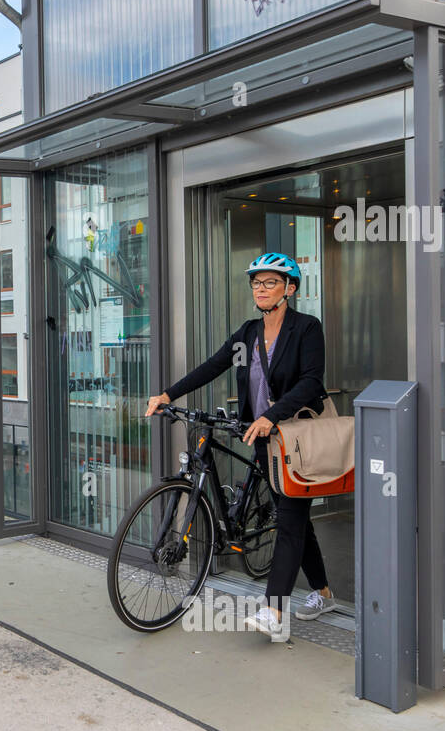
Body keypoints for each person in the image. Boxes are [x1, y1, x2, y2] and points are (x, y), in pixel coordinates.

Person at [144, 252, 338, 637]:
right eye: (256, 283)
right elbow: (212, 366)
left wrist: (272, 414)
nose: (260, 289)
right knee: (295, 518)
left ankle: (273, 611)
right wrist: (168, 394)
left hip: (295, 438)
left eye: (269, 282)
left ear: (290, 288)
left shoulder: (306, 328)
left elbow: (312, 382)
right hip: (263, 440)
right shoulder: (248, 333)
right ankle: (324, 593)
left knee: (289, 520)